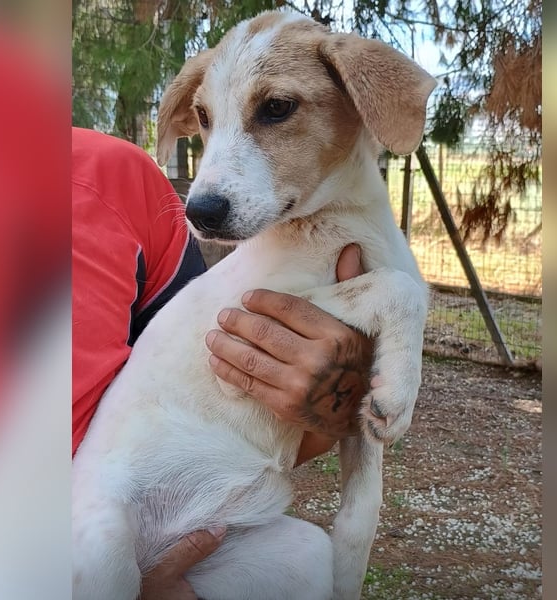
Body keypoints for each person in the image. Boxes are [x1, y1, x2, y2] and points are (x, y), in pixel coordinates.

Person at [72, 127, 373, 598]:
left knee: (308, 560)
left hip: (146, 525)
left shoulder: (120, 178)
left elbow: (205, 381)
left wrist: (332, 400)